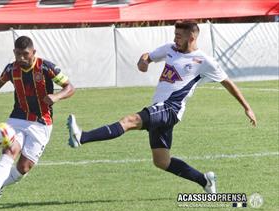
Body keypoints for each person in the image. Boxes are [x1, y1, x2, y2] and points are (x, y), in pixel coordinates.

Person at [67, 20, 257, 193]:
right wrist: (143, 61)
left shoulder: (204, 61)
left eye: (179, 36)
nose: (175, 39)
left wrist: (246, 107)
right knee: (161, 161)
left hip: (171, 108)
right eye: (174, 35)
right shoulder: (170, 49)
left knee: (130, 120)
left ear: (191, 37)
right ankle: (204, 180)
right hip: (160, 108)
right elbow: (148, 56)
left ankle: (81, 137)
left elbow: (227, 82)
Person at [0, 36, 75, 204]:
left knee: (23, 168)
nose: (21, 58)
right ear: (14, 52)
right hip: (18, 118)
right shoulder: (11, 69)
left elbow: (70, 87)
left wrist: (56, 97)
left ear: (33, 52)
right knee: (10, 150)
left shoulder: (46, 68)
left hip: (42, 123)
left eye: (25, 54)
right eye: (18, 54)